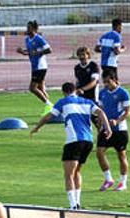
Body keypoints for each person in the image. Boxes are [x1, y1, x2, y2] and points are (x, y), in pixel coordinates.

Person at [30, 82, 111, 210]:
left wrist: (37, 128)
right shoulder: (87, 102)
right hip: (88, 141)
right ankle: (77, 202)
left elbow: (48, 117)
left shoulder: (63, 102)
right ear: (75, 90)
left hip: (74, 141)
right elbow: (100, 112)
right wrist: (108, 128)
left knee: (68, 175)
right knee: (77, 172)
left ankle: (73, 205)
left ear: (64, 92)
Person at [96, 69, 130, 192]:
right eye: (104, 82)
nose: (106, 84)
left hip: (120, 130)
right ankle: (108, 179)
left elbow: (128, 112)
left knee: (121, 155)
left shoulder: (123, 93)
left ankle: (123, 182)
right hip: (106, 129)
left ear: (114, 80)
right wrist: (99, 127)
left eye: (108, 82)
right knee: (99, 152)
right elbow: (100, 111)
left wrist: (117, 121)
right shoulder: (102, 93)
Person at [16, 20, 53, 114]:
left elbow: (49, 50)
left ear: (35, 29)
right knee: (41, 89)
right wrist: (22, 52)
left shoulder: (39, 39)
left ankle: (49, 105)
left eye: (29, 28)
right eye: (27, 27)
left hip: (41, 66)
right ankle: (51, 109)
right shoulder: (27, 39)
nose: (27, 29)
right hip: (34, 66)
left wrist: (37, 53)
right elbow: (30, 52)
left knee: (32, 88)